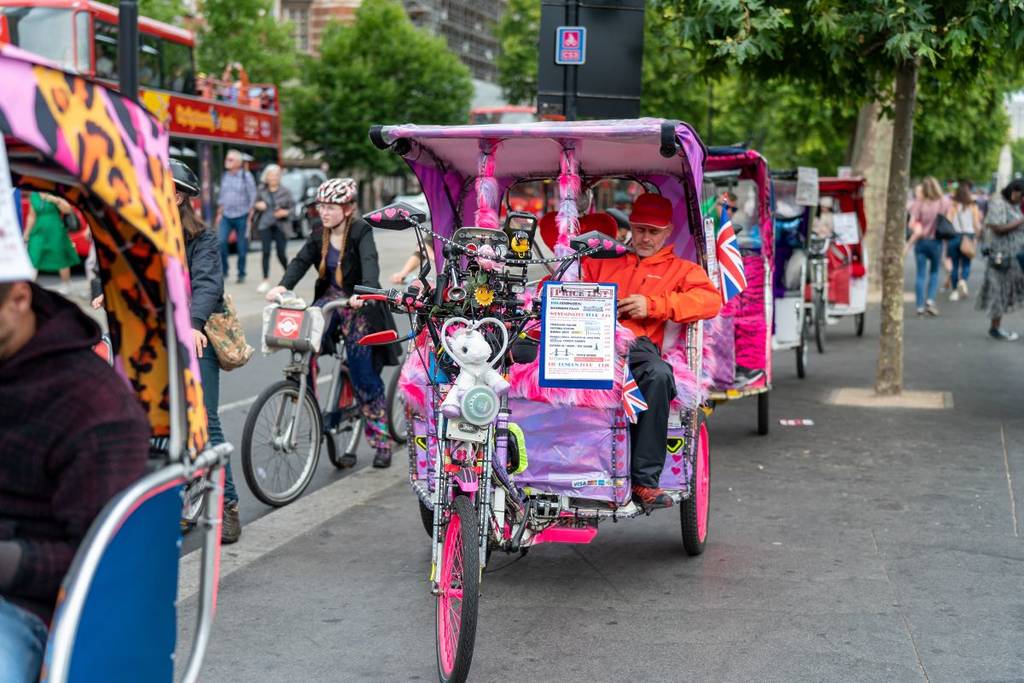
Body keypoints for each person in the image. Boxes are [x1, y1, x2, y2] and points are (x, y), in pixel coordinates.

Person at [0, 280, 150, 682]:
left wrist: (8, 561)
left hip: (27, 606)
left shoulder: (94, 404)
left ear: (18, 298)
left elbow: (104, 562)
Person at [91, 161, 242, 542]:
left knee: (204, 419)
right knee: (152, 420)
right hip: (153, 337)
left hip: (196, 335)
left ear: (176, 197)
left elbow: (209, 283)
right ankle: (170, 499)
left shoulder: (202, 239)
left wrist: (193, 325)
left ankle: (227, 504)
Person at [581, 193, 721, 509]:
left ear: (668, 231)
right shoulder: (603, 261)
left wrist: (654, 306)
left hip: (637, 349)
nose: (645, 237)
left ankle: (645, 482)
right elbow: (570, 286)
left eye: (653, 232)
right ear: (630, 225)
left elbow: (711, 302)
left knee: (659, 376)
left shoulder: (681, 269)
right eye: (640, 229)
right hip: (587, 341)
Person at [265, 178, 400, 468]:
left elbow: (371, 265)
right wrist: (281, 287)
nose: (324, 213)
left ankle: (381, 441)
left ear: (348, 208)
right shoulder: (318, 234)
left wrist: (366, 293)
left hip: (358, 303)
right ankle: (306, 397)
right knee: (303, 341)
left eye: (331, 207)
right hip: (329, 300)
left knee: (363, 373)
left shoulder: (361, 231)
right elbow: (300, 263)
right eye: (321, 207)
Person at [976, 179, 1024, 341]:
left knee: (1008, 292)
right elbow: (997, 227)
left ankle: (996, 327)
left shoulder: (1013, 205)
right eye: (1022, 195)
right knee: (999, 292)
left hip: (1015, 255)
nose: (1022, 199)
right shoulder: (999, 204)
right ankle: (995, 328)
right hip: (1001, 256)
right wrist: (1021, 221)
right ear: (1015, 191)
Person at [906, 176, 952, 316]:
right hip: (936, 242)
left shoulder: (919, 203)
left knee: (920, 274)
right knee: (934, 273)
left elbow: (911, 223)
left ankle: (919, 306)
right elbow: (948, 220)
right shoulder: (944, 202)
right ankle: (930, 301)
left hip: (921, 242)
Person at [22, 192, 80, 295]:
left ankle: (67, 285)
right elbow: (32, 216)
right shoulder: (34, 196)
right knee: (33, 257)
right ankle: (29, 288)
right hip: (38, 232)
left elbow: (67, 209)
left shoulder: (54, 191)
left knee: (60, 258)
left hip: (55, 231)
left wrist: (55, 199)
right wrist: (26, 233)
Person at [216, 149, 257, 284]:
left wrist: (250, 214)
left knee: (241, 247)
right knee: (221, 242)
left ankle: (241, 273)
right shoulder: (225, 176)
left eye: (230, 159)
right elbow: (222, 195)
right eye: (227, 159)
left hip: (242, 216)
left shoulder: (246, 176)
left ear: (238, 163)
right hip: (226, 215)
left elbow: (252, 195)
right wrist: (219, 213)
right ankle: (224, 270)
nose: (227, 161)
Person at [254, 164, 294, 294]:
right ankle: (265, 280)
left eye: (276, 175)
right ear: (267, 176)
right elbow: (254, 204)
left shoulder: (286, 191)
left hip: (280, 226)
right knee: (265, 252)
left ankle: (288, 278)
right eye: (271, 175)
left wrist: (285, 213)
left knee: (281, 253)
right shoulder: (261, 190)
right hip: (265, 225)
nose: (274, 178)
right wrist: (257, 205)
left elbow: (293, 209)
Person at [947, 183, 982, 302]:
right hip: (968, 236)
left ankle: (955, 291)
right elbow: (976, 225)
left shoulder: (953, 206)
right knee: (966, 263)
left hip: (954, 236)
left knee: (955, 264)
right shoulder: (973, 207)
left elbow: (948, 222)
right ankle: (963, 280)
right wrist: (977, 238)